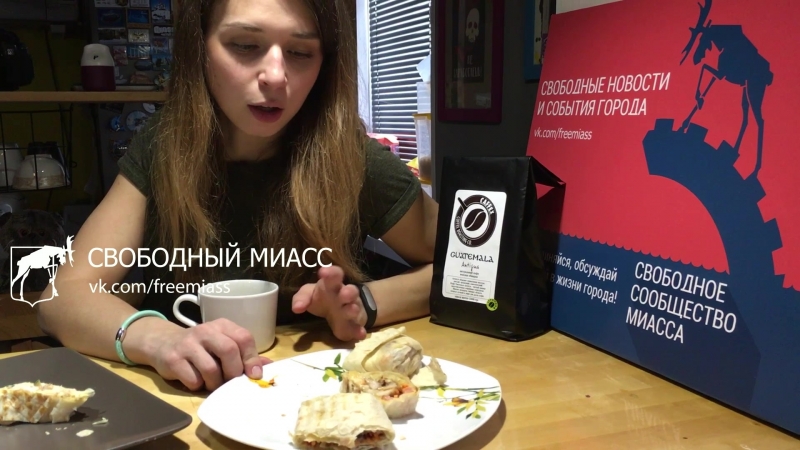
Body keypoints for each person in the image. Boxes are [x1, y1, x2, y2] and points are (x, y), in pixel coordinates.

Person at [35, 0, 438, 392]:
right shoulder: (163, 146)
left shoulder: (352, 158)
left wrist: (364, 303)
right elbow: (61, 297)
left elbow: (467, 269)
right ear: (199, 49)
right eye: (245, 45)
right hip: (186, 400)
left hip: (312, 396)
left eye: (300, 52)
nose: (276, 76)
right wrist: (159, 339)